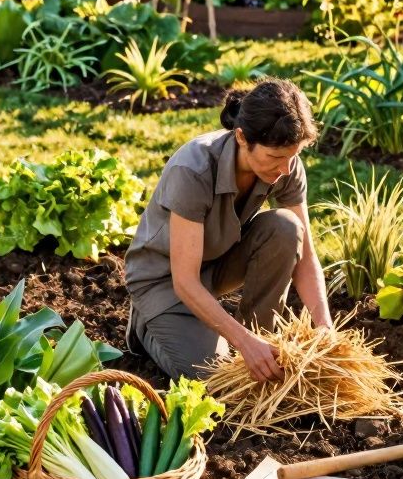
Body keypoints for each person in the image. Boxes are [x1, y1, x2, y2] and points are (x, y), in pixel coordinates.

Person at [125, 79, 333, 384]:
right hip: (164, 282)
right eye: (275, 157)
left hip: (214, 264)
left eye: (293, 155)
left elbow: (307, 257)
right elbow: (184, 281)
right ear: (241, 137)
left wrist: (324, 328)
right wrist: (244, 343)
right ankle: (146, 327)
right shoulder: (193, 169)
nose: (286, 169)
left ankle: (259, 341)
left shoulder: (285, 166)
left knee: (287, 228)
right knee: (216, 377)